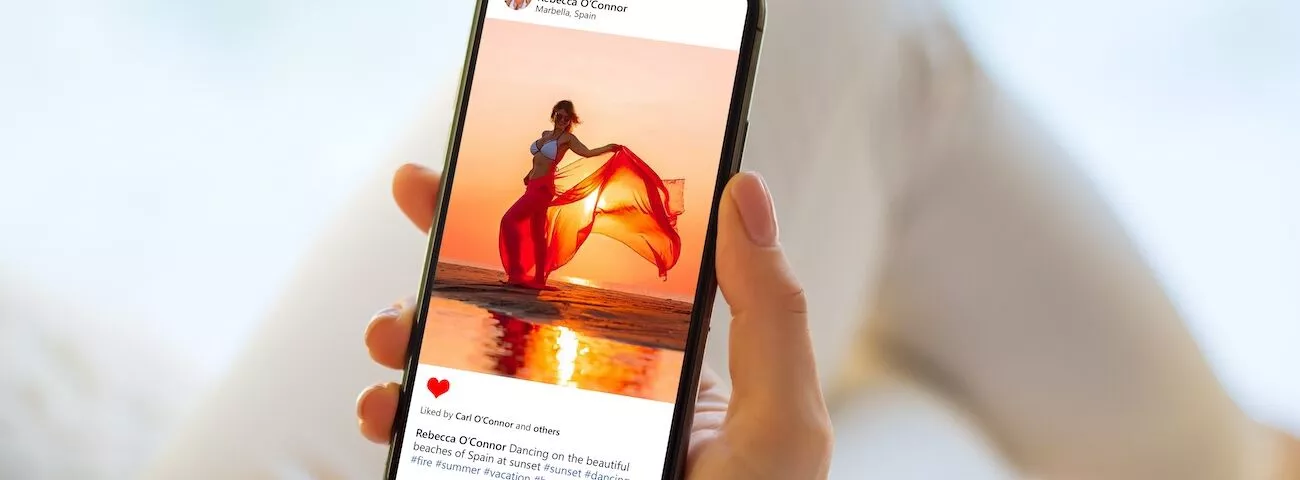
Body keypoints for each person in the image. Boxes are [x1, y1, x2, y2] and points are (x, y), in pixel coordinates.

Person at [359, 166, 835, 479]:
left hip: (546, 195)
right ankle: (523, 291)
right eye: (559, 120)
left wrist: (609, 156)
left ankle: (528, 289)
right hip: (534, 195)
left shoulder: (567, 145)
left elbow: (592, 154)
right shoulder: (549, 138)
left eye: (565, 121)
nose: (562, 125)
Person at [500, 100, 682, 290]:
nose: (562, 120)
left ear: (571, 120)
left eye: (566, 117)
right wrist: (529, 175)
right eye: (559, 115)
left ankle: (517, 274)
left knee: (509, 220)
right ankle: (538, 279)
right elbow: (538, 160)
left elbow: (586, 153)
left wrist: (609, 148)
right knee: (538, 234)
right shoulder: (545, 135)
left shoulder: (568, 139)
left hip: (543, 190)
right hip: (532, 186)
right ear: (553, 115)